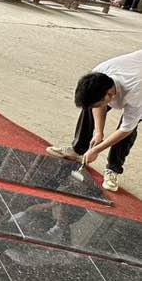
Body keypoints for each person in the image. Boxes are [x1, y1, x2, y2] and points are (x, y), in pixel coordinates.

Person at [47, 49, 142, 192]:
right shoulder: (99, 74)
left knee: (129, 128)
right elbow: (97, 106)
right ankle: (78, 150)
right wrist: (98, 133)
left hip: (138, 90)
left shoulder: (135, 93)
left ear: (110, 94)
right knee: (89, 103)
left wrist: (97, 149)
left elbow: (126, 129)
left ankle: (113, 169)